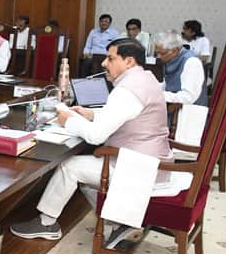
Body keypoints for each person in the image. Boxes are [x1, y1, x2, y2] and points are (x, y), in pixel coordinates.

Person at [10, 39, 173, 241]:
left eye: (110, 58)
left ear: (129, 61)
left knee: (70, 167)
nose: (104, 63)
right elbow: (126, 114)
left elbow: (96, 136)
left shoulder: (127, 90)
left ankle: (46, 223)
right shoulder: (145, 79)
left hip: (139, 168)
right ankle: (118, 222)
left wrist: (68, 121)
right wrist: (91, 114)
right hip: (153, 162)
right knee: (85, 175)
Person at [154, 30, 207, 106]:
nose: (158, 57)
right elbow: (169, 85)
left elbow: (188, 97)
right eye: (157, 53)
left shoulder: (191, 62)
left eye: (162, 53)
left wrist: (159, 95)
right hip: (175, 107)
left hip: (190, 110)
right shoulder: (171, 59)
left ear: (174, 51)